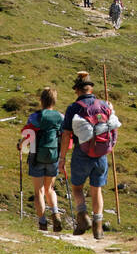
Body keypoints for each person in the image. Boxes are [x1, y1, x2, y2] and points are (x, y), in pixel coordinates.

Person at [59, 73, 119, 239]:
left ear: (77, 90)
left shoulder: (74, 108)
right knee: (96, 189)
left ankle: (83, 216)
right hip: (101, 153)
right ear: (91, 88)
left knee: (77, 187)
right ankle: (98, 227)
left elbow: (66, 135)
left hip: (81, 153)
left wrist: (62, 158)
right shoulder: (104, 105)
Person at [18, 88, 64, 231]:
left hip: (36, 156)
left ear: (41, 100)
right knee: (49, 188)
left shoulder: (35, 117)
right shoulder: (61, 117)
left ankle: (42, 222)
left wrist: (20, 146)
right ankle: (55, 212)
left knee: (38, 191)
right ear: (54, 101)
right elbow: (65, 137)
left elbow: (28, 136)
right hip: (53, 156)